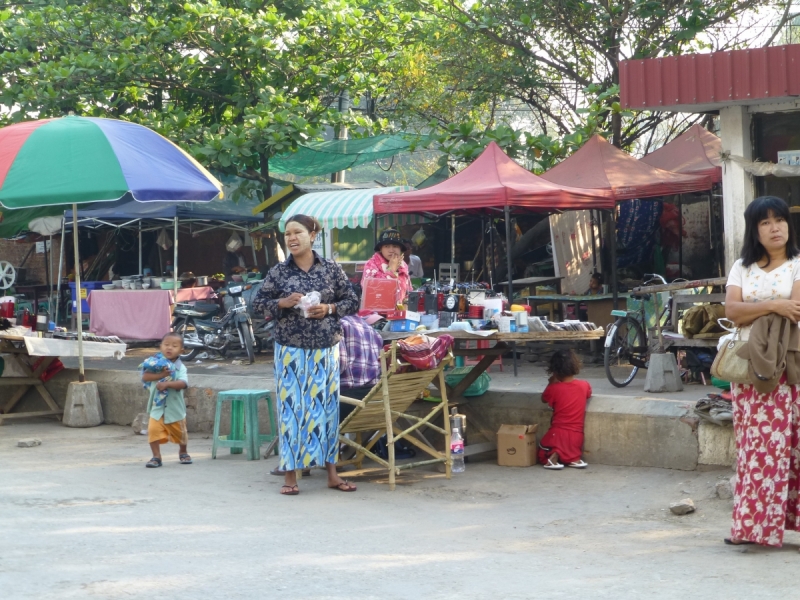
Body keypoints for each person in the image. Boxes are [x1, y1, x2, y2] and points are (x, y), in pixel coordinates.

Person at [253, 214, 360, 496]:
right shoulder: (278, 272)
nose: (291, 238)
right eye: (287, 234)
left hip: (326, 349)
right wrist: (281, 302)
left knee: (327, 411)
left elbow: (352, 301)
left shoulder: (331, 269)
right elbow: (257, 305)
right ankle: (291, 476)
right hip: (290, 350)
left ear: (313, 235)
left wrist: (329, 309)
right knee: (291, 411)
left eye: (297, 232)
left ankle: (332, 474)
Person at [724, 195, 800, 548]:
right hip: (749, 369)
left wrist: (756, 307)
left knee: (791, 448)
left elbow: (796, 310)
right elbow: (733, 312)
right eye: (766, 222)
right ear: (755, 230)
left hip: (788, 367)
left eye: (780, 220)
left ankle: (788, 527)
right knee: (754, 449)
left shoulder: (799, 264)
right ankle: (751, 528)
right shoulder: (741, 267)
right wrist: (773, 304)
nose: (775, 227)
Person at [140, 333, 190, 468]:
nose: (170, 348)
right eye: (166, 345)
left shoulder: (180, 367)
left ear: (181, 351)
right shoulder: (154, 364)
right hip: (157, 407)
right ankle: (156, 456)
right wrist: (161, 375)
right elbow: (145, 376)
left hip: (175, 408)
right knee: (153, 431)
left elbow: (183, 383)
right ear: (160, 346)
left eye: (174, 346)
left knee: (181, 433)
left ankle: (183, 451)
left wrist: (167, 384)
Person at [537, 349, 591, 470]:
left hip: (558, 432)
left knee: (542, 452)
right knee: (570, 452)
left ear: (555, 371)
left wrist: (550, 383)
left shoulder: (554, 389)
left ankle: (553, 457)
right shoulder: (584, 385)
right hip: (577, 436)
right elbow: (588, 394)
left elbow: (544, 399)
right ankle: (574, 460)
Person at [363, 229, 412, 303]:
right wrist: (391, 270)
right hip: (377, 312)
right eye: (387, 246)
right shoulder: (371, 264)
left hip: (400, 312)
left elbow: (408, 292)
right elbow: (371, 291)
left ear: (400, 249)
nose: (391, 250)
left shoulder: (403, 265)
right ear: (381, 248)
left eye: (395, 246)